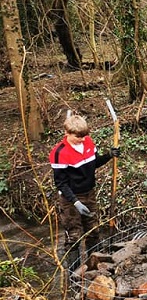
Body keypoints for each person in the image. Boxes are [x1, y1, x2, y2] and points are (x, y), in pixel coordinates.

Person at [49, 114, 119, 269]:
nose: (81, 139)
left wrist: (108, 156)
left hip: (89, 194)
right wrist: (75, 202)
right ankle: (74, 275)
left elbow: (92, 164)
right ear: (67, 133)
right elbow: (61, 183)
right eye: (77, 136)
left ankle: (93, 268)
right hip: (70, 198)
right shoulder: (59, 153)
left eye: (84, 135)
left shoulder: (88, 142)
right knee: (74, 236)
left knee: (93, 231)